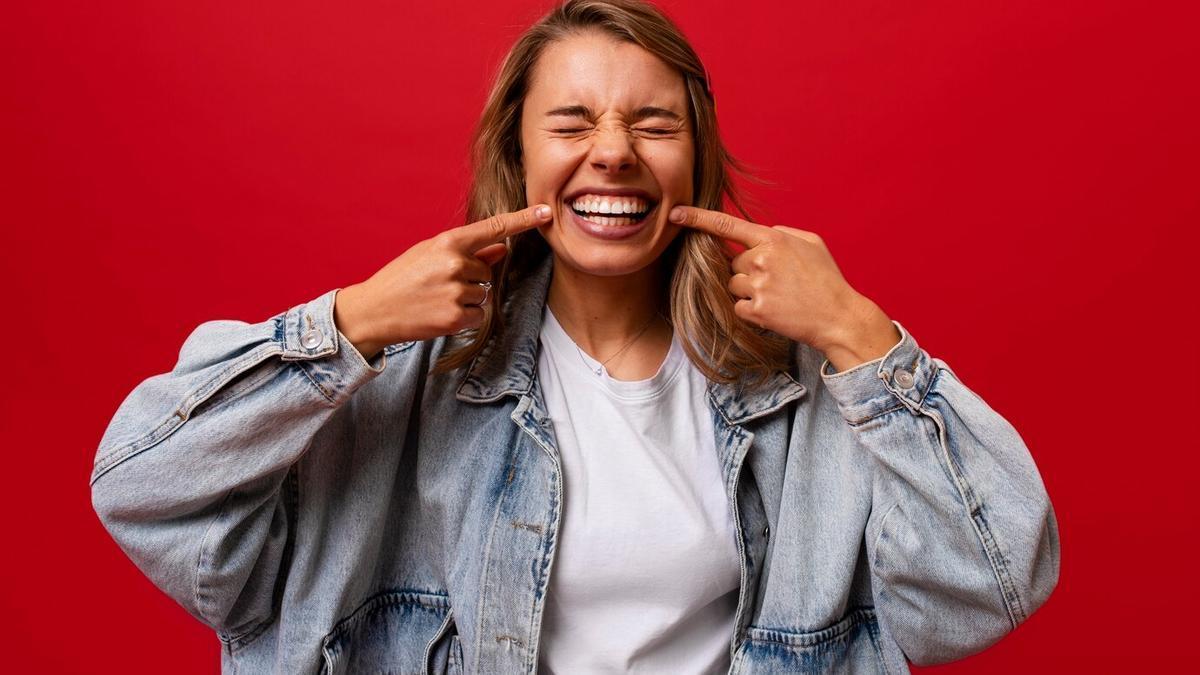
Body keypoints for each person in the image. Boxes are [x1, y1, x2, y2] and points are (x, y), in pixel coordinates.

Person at [89, 0, 1059, 673]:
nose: (612, 151)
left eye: (652, 123)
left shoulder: (808, 389)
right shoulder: (402, 376)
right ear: (518, 153)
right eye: (571, 122)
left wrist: (861, 336)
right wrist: (348, 328)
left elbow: (987, 591)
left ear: (696, 155)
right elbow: (142, 489)